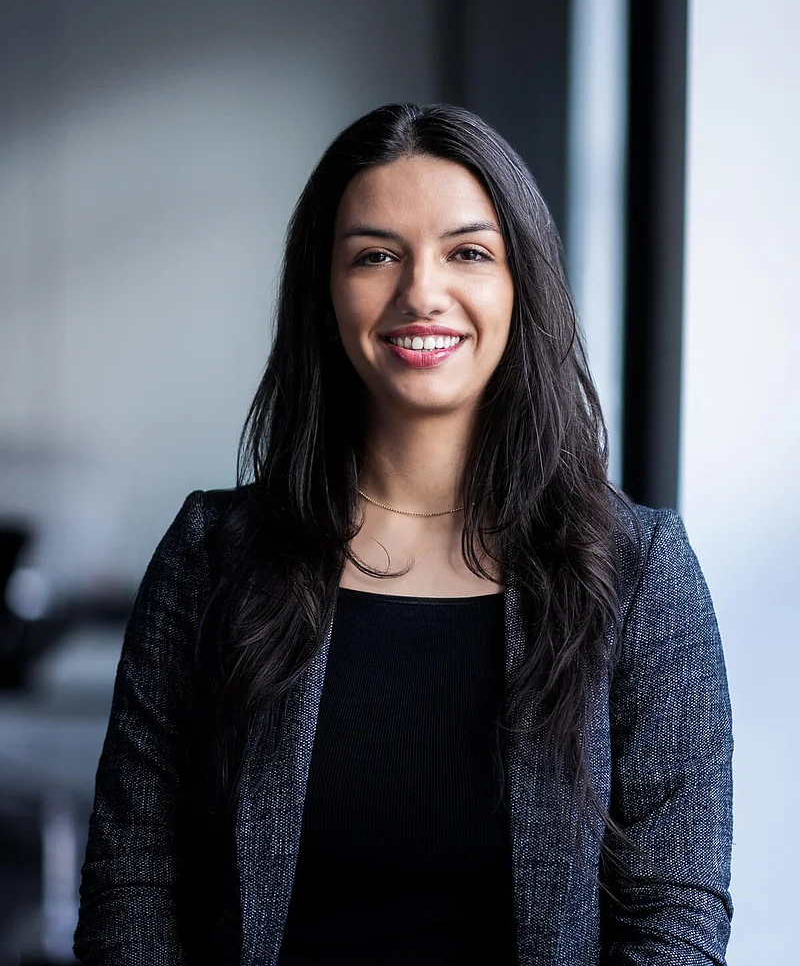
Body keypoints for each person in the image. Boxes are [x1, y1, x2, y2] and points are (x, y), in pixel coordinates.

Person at [73, 103, 733, 966]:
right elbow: (133, 883)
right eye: (376, 255)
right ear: (326, 290)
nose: (421, 291)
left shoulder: (639, 573)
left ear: (521, 283)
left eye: (468, 252)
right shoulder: (212, 555)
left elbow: (673, 920)